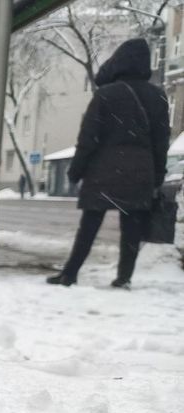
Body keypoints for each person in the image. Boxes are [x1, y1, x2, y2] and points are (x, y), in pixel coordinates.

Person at [47, 38, 168, 288]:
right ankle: (124, 277)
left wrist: (76, 170)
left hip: (104, 170)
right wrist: (157, 176)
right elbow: (161, 141)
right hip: (140, 170)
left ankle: (70, 273)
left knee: (90, 225)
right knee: (132, 227)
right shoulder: (158, 97)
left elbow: (88, 137)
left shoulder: (106, 94)